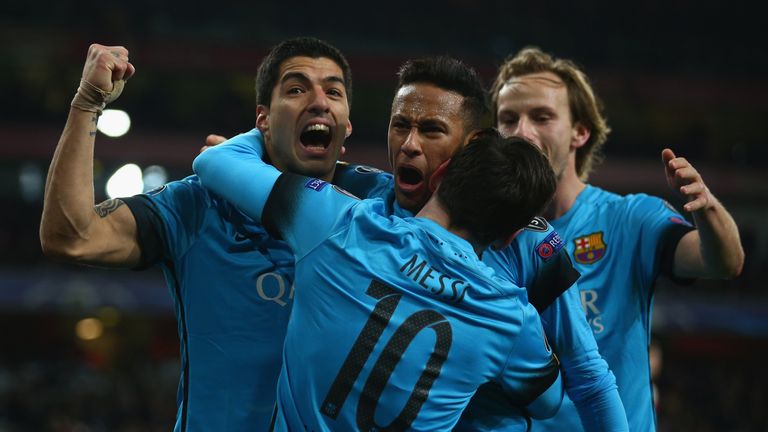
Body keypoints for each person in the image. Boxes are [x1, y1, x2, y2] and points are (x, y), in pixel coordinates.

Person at [210, 56, 628, 430]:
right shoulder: (360, 197)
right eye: (400, 126)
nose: (409, 145)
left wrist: (250, 141)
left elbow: (589, 376)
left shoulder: (529, 240)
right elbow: (546, 398)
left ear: (472, 147)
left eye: (430, 130)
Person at [39, 38, 364, 431]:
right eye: (296, 89)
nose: (318, 101)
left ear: (346, 126)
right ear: (262, 120)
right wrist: (87, 101)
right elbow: (70, 236)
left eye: (333, 91)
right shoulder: (201, 204)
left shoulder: (376, 218)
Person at [193, 127, 564, 431]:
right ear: (510, 236)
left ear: (439, 177)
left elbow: (213, 161)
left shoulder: (338, 221)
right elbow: (547, 402)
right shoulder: (509, 317)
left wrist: (268, 129)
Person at [489, 47, 745, 431]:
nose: (522, 132)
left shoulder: (630, 219)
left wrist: (706, 209)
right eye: (509, 119)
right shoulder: (483, 232)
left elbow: (723, 262)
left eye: (542, 117)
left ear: (580, 131)